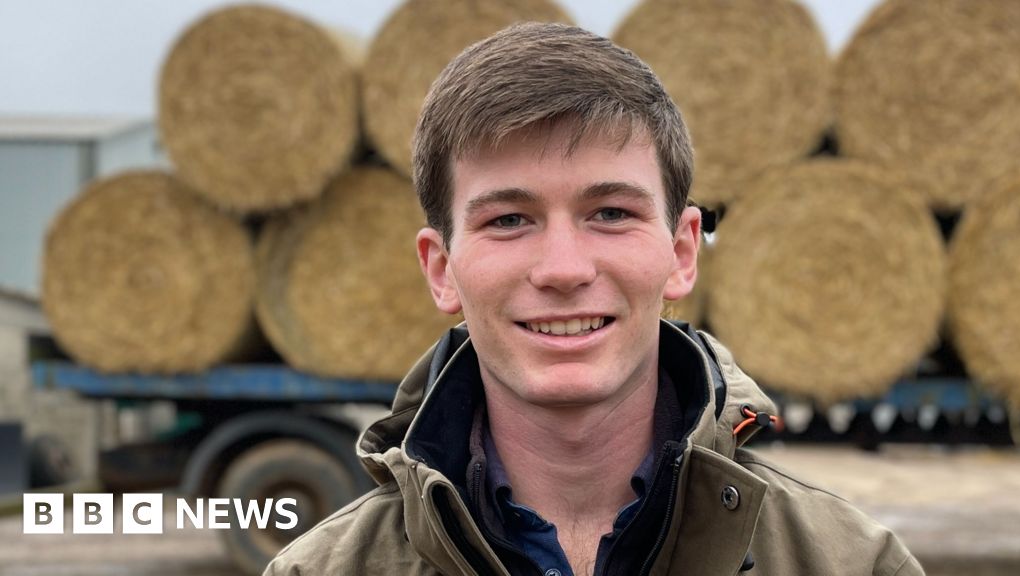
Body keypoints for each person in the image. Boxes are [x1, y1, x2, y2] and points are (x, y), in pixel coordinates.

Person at [264, 22, 923, 576]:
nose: (563, 269)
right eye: (508, 220)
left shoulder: (853, 564)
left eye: (609, 212)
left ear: (683, 251)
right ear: (441, 270)